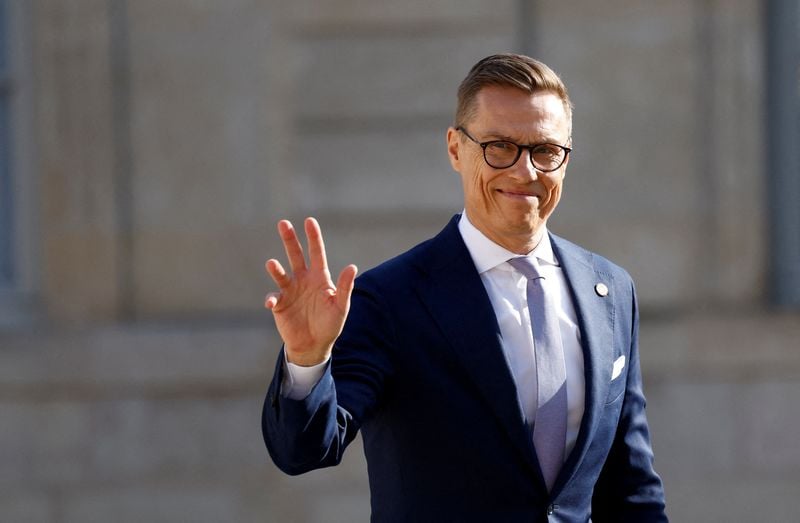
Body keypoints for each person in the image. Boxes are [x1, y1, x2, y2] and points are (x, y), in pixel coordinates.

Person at [261, 53, 667, 522]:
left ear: (566, 157)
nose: (526, 172)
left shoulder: (610, 290)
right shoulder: (392, 299)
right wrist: (307, 360)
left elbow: (631, 489)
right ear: (456, 149)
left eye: (545, 150)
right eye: (500, 147)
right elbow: (304, 450)